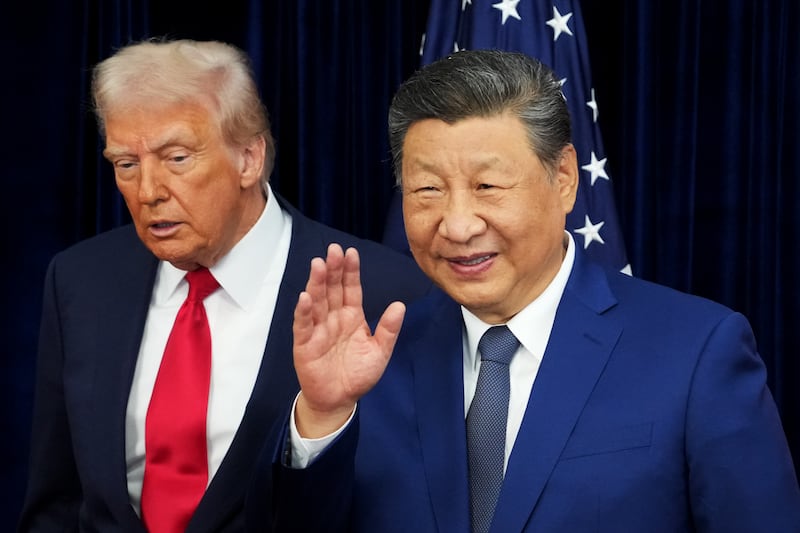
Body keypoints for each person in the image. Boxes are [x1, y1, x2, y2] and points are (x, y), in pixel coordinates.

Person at [250, 50, 800, 532]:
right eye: (427, 191)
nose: (458, 224)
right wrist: (323, 416)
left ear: (563, 178)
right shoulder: (372, 359)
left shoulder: (697, 351)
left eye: (487, 186)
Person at [18, 38, 431, 533]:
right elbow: (56, 504)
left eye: (176, 158)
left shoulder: (386, 292)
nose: (148, 191)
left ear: (248, 159)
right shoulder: (79, 279)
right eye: (126, 165)